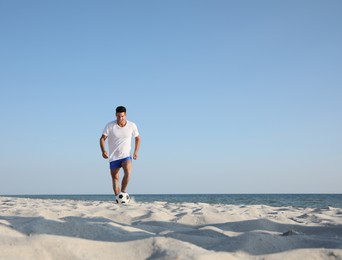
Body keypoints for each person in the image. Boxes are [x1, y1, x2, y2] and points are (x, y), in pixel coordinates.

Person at [100, 106, 140, 198]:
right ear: (115, 115)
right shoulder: (110, 125)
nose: (120, 118)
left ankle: (123, 192)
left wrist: (136, 152)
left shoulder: (132, 125)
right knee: (115, 178)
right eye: (118, 116)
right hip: (113, 156)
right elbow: (102, 138)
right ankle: (118, 198)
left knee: (128, 172)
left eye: (122, 116)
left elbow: (137, 138)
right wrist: (103, 151)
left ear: (125, 115)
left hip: (126, 155)